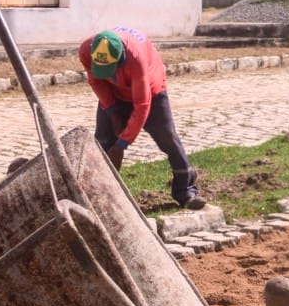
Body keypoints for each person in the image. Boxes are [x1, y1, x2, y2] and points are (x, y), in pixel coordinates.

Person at [79, 28, 205, 210]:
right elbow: (97, 81)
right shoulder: (87, 50)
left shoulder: (136, 59)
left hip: (150, 91)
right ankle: (97, 196)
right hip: (114, 93)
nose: (106, 73)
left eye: (109, 69)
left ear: (121, 58)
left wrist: (122, 145)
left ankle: (186, 191)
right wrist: (113, 113)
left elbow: (142, 105)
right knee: (103, 142)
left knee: (167, 137)